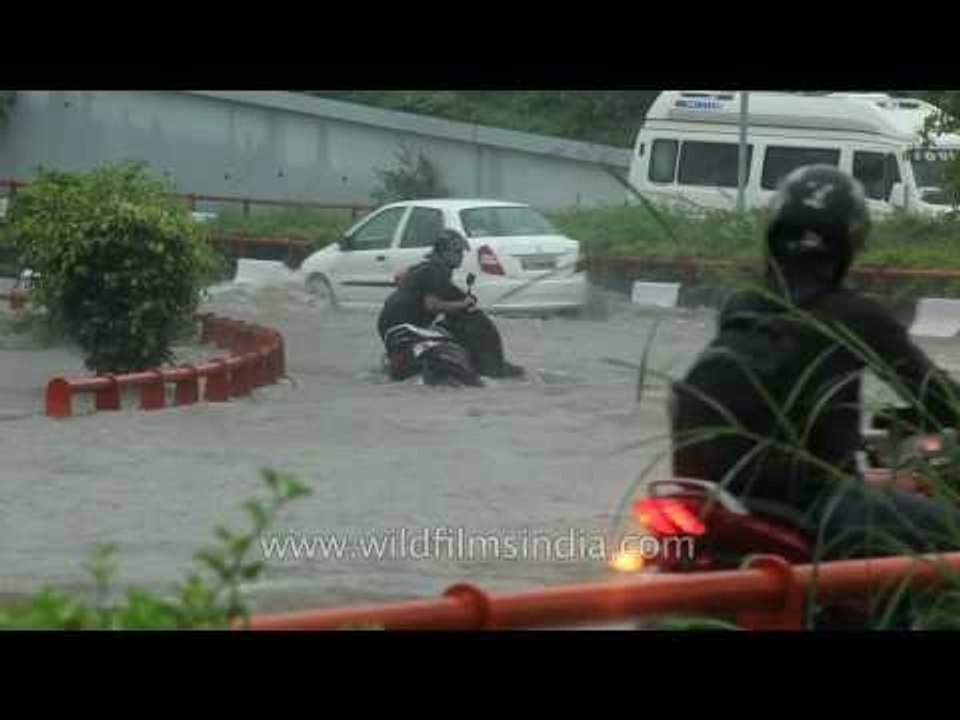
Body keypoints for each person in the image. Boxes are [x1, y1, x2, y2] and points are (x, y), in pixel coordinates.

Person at [670, 165, 960, 560]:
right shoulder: (856, 316)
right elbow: (935, 395)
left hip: (726, 498)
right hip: (814, 502)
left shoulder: (742, 305)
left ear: (772, 234)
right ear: (850, 242)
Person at [377, 229, 524, 383]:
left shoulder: (427, 266)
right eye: (457, 252)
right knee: (450, 348)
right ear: (444, 252)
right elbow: (432, 306)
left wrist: (413, 287)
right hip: (404, 326)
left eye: (461, 252)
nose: (461, 256)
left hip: (388, 326)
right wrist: (463, 304)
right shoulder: (437, 270)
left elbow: (399, 276)